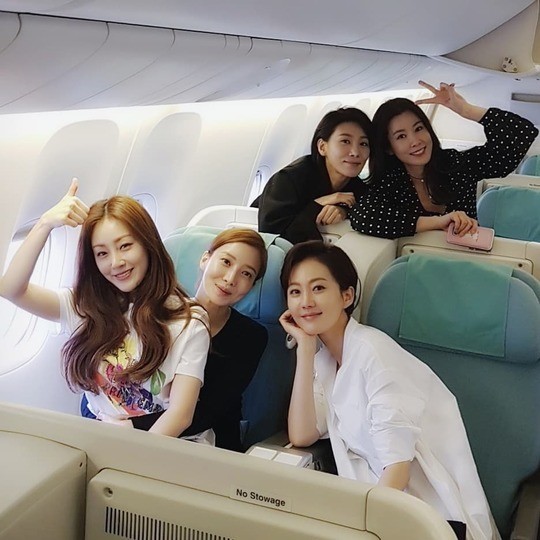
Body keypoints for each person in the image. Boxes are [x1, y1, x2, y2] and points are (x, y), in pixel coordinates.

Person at [279, 241, 500, 540]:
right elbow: (302, 435)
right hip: (378, 509)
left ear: (347, 296)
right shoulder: (327, 359)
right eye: (295, 291)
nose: (306, 301)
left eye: (318, 288)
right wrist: (305, 350)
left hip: (425, 519)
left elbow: (397, 470)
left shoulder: (374, 354)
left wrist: (361, 531)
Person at [0, 179, 210, 437]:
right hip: (99, 431)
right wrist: (45, 224)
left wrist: (127, 451)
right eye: (102, 253)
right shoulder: (84, 306)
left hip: (157, 440)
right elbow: (11, 289)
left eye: (125, 246)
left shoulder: (189, 322)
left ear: (148, 244)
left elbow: (180, 415)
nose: (116, 262)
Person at [131, 229, 269, 452]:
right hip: (144, 429)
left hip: (212, 447)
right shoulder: (160, 314)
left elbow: (208, 411)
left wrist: (130, 427)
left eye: (246, 274)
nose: (230, 278)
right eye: (226, 262)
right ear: (205, 259)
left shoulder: (250, 337)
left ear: (252, 286)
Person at [347, 81, 538, 239]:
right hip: (419, 263)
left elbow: (520, 135)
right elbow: (364, 217)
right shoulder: (389, 182)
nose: (415, 141)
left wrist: (466, 110)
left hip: (469, 257)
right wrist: (439, 222)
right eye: (401, 136)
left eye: (419, 128)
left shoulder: (454, 164)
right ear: (389, 147)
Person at [253, 107, 372, 244]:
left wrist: (344, 210)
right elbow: (273, 240)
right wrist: (319, 204)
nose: (355, 152)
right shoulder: (288, 180)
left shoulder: (359, 189)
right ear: (322, 147)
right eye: (345, 141)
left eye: (363, 144)